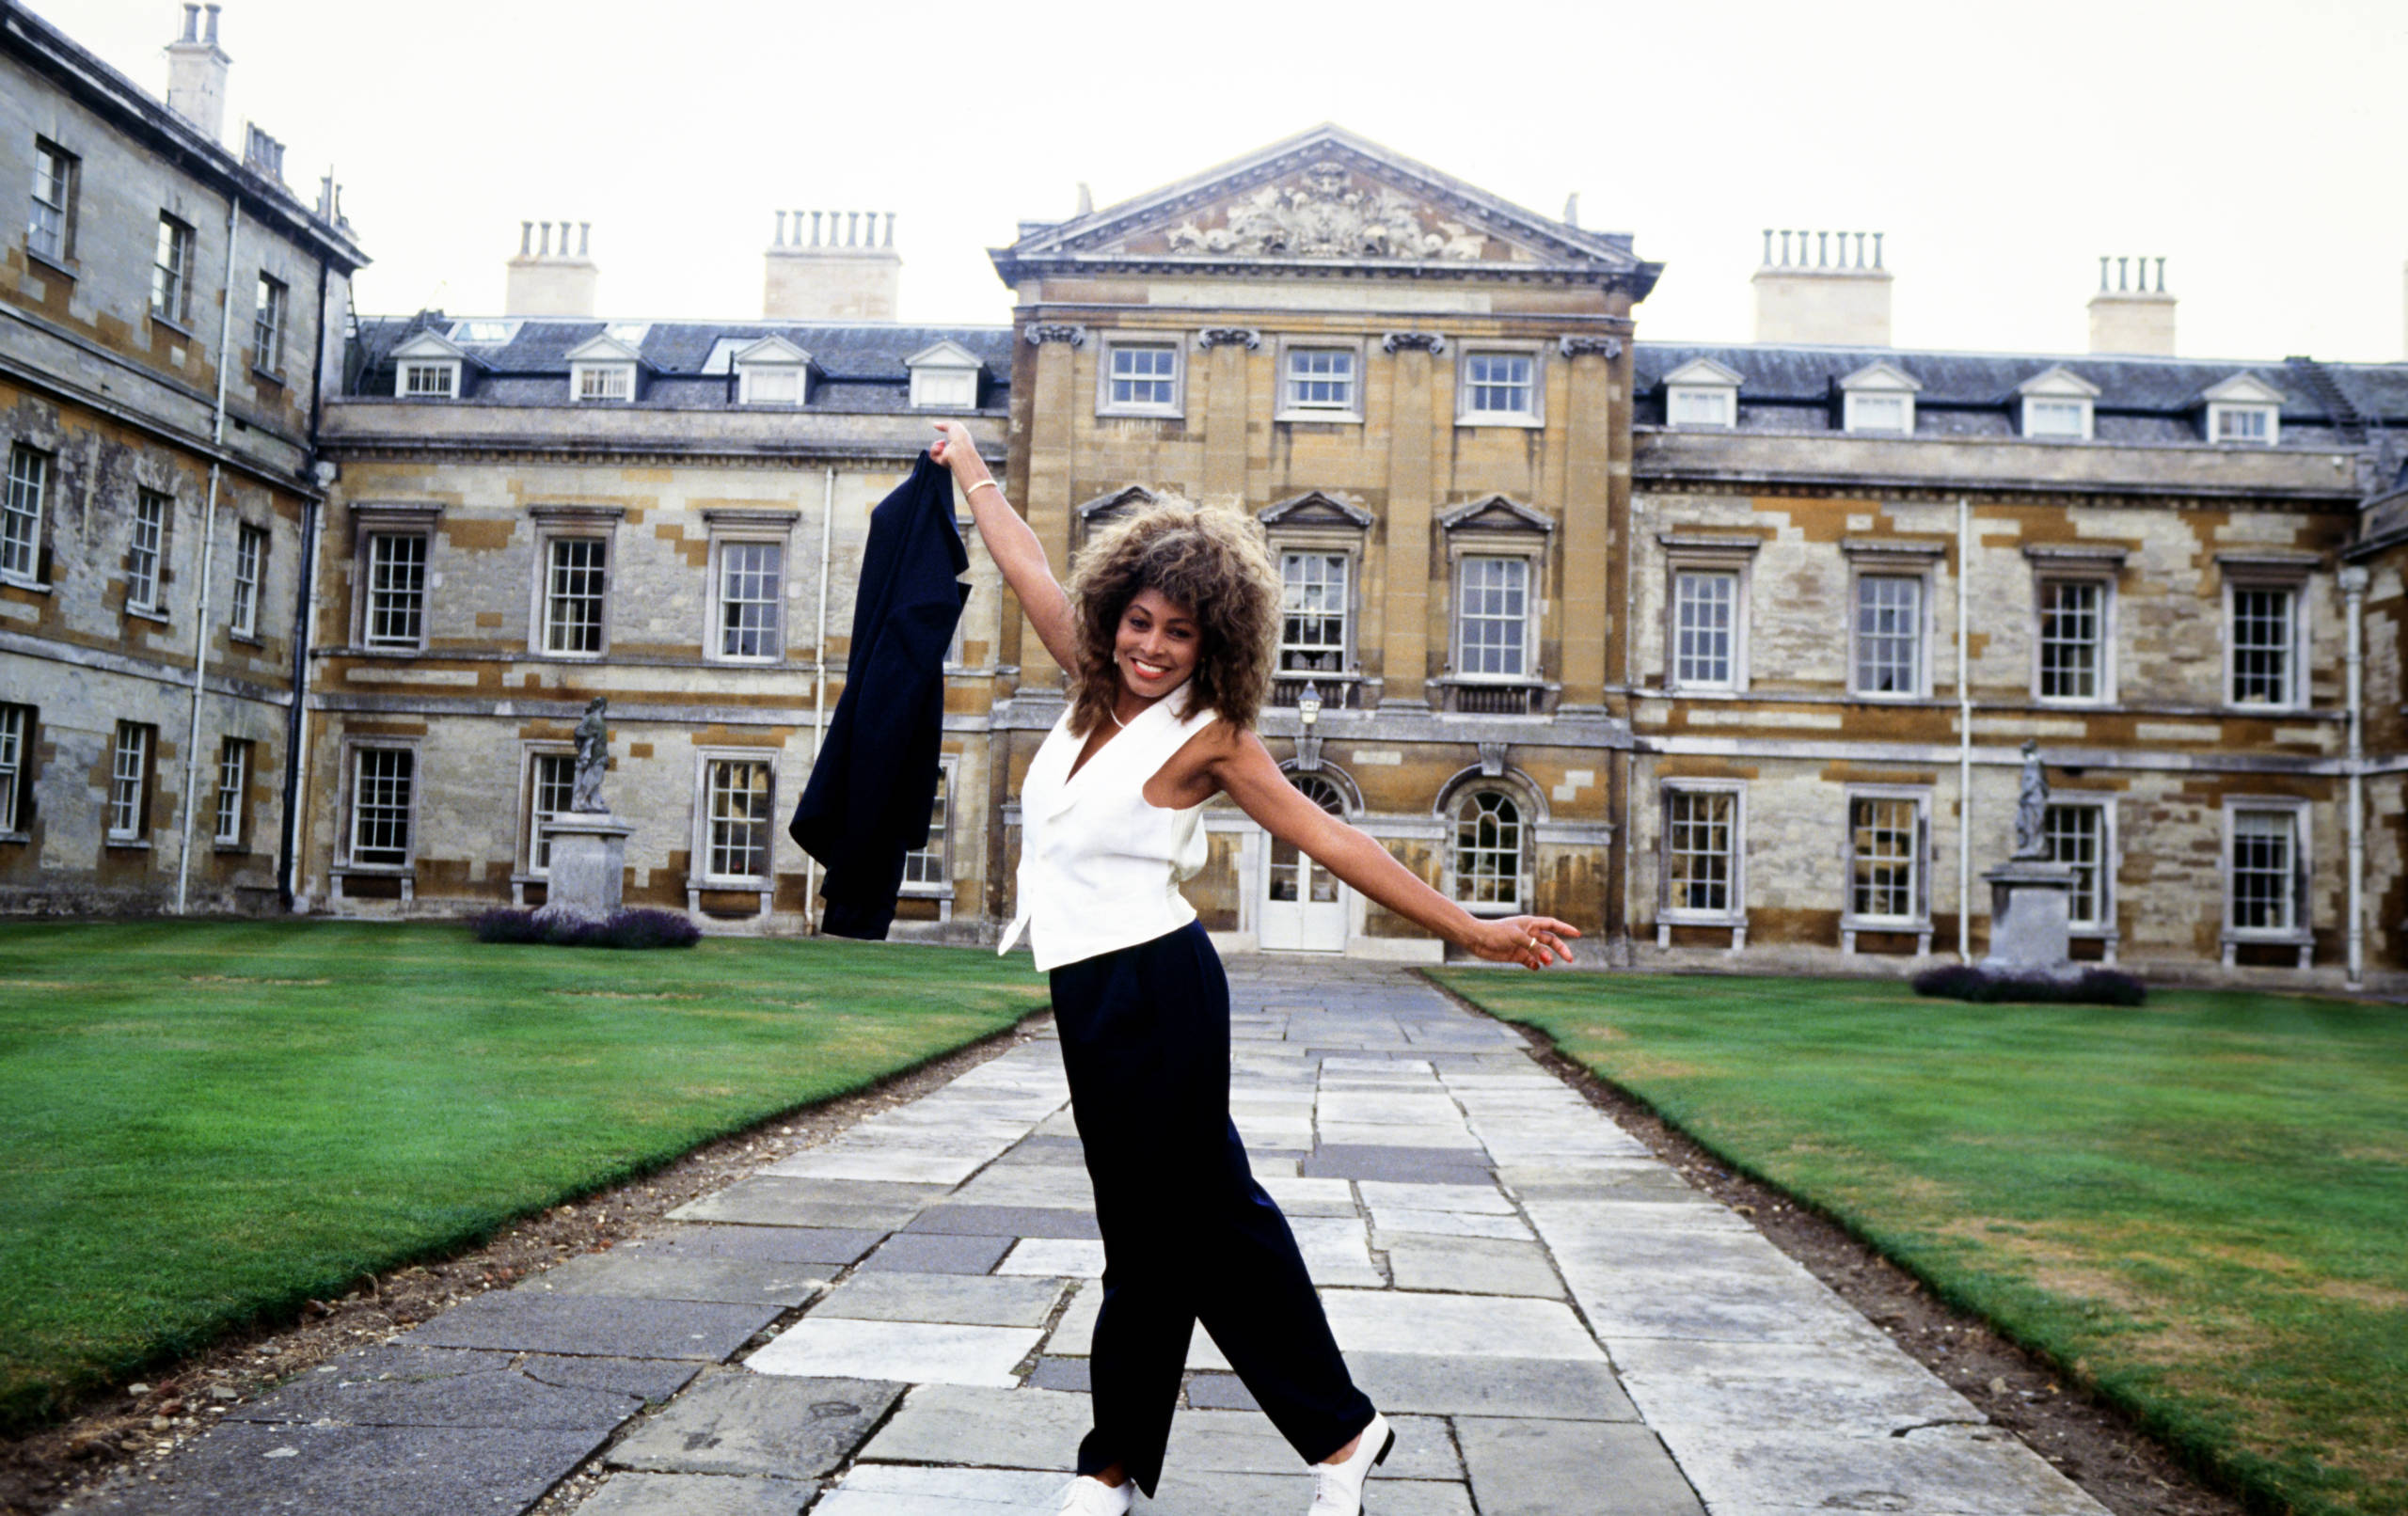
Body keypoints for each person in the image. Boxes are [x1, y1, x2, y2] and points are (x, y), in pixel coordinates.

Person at [928, 419, 1579, 1516]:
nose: (1151, 646)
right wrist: (972, 470)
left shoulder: (1212, 735)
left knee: (1186, 1230)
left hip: (1159, 989)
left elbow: (1334, 839)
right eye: (1139, 621)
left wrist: (1469, 928)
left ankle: (1141, 1463)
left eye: (1178, 632)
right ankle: (1302, 1439)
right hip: (1088, 991)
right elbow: (1026, 561)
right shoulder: (1088, 682)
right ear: (1112, 614)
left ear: (1211, 643)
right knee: (1167, 1232)